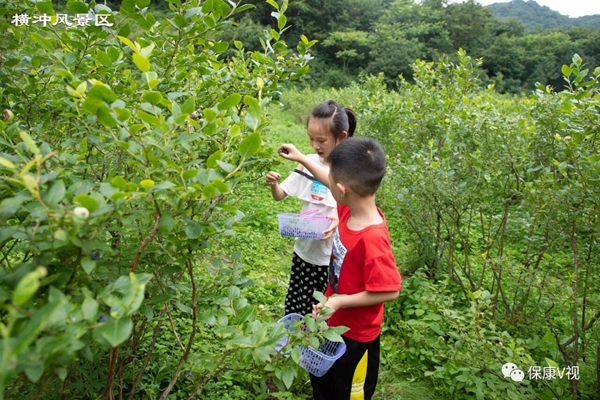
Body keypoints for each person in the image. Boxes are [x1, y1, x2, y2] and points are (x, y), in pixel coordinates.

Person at [278, 137, 402, 400]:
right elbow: (330, 180)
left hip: (357, 337)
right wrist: (301, 158)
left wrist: (341, 301)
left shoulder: (372, 240)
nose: (327, 180)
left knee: (348, 392)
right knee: (324, 381)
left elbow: (390, 291)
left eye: (331, 178)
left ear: (342, 189)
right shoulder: (349, 209)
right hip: (332, 322)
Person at [265, 100, 357, 317]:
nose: (316, 145)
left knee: (322, 310)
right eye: (311, 139)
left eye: (322, 140)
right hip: (304, 251)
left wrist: (338, 221)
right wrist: (273, 185)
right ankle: (295, 342)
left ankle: (313, 345)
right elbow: (280, 196)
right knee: (299, 301)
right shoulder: (307, 162)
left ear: (341, 137)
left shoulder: (349, 170)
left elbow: (355, 208)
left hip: (330, 258)